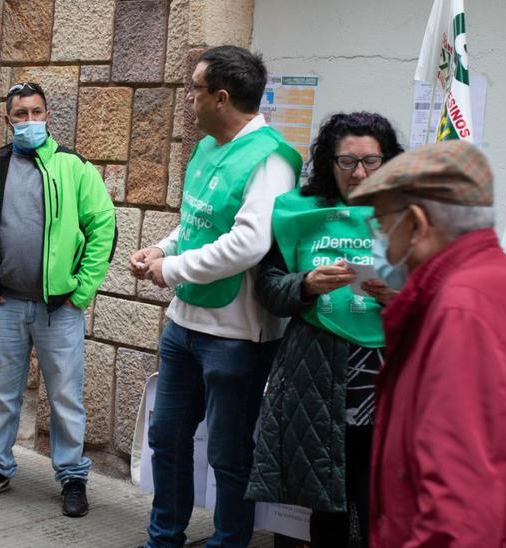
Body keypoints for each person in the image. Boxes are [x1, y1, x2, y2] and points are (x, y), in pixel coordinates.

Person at [350, 141, 506, 547]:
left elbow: (456, 512)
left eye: (381, 225)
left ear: (417, 224)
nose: (379, 243)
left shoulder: (462, 311)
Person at [129, 45, 302, 547]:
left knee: (228, 455)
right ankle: (164, 538)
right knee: (168, 441)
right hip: (184, 326)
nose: (189, 99)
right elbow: (197, 222)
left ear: (221, 98)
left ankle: (229, 542)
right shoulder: (208, 147)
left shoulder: (271, 159)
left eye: (195, 89)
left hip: (236, 337)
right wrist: (159, 248)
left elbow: (247, 244)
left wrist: (171, 270)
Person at [245, 112, 402, 548]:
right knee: (323, 505)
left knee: (381, 504)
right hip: (315, 380)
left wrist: (401, 299)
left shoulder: (410, 216)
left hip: (387, 382)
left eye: (371, 161)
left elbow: (444, 299)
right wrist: (306, 284)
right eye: (347, 161)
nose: (359, 172)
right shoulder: (301, 213)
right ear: (329, 163)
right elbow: (269, 288)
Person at [0, 82, 116, 517]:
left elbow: (103, 228)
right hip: (6, 306)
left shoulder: (73, 167)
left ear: (48, 116)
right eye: (20, 114)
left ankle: (71, 476)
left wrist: (79, 292)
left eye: (36, 112)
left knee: (65, 397)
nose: (29, 121)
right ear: (7, 120)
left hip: (57, 309)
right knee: (3, 396)